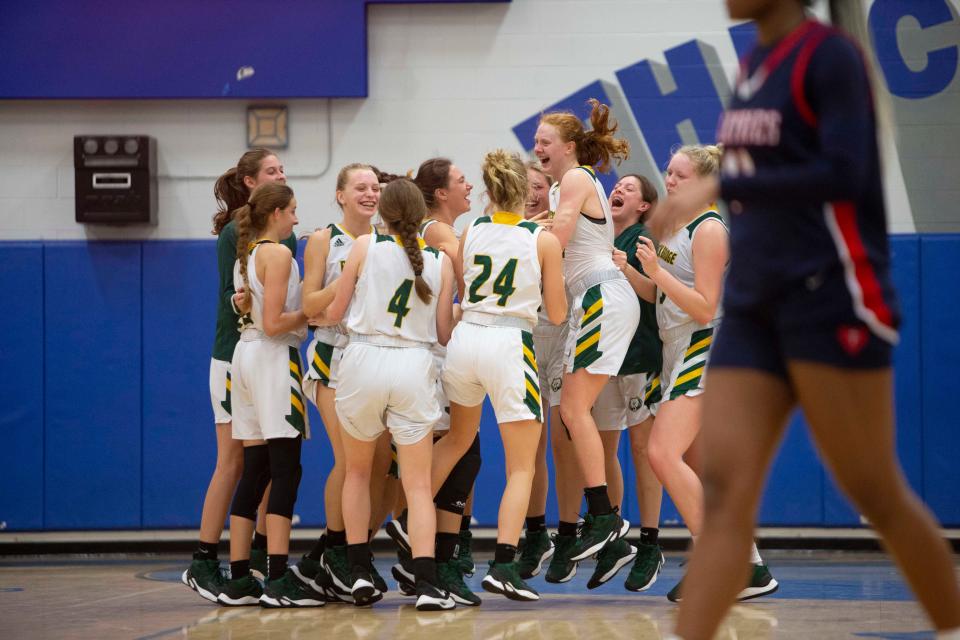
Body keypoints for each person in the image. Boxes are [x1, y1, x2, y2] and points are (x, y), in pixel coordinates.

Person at [669, 2, 960, 638]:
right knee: (723, 499)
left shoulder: (829, 56)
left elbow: (843, 171)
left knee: (872, 488)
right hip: (754, 305)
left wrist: (724, 184)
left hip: (831, 295)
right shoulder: (752, 64)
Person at [634, 146, 776, 602]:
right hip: (675, 347)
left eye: (678, 175)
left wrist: (657, 270)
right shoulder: (676, 228)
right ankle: (751, 567)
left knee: (661, 454)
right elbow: (666, 298)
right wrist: (636, 274)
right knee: (698, 467)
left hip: (704, 345)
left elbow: (703, 306)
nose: (669, 181)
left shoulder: (709, 229)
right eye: (668, 173)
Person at [432, 149, 566, 601]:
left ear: (489, 191)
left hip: (467, 337)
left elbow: (466, 289)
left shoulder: (471, 231)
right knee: (522, 466)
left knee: (454, 442)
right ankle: (506, 564)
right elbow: (558, 311)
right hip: (510, 344)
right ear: (526, 193)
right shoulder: (542, 240)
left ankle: (411, 527)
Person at [322, 178, 457, 611]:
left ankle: (358, 572)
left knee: (358, 474)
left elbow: (335, 313)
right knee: (417, 485)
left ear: (384, 212)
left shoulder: (363, 247)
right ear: (422, 215)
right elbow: (442, 333)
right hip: (414, 365)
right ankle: (427, 582)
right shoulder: (440, 262)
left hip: (362, 360)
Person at [182, 149, 295, 602]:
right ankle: (204, 560)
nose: (281, 175)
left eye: (283, 170)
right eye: (272, 171)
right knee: (234, 463)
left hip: (264, 353)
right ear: (250, 183)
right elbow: (232, 294)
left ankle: (260, 563)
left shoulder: (281, 233)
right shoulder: (236, 232)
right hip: (235, 356)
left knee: (264, 465)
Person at [533, 99, 639, 563]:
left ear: (569, 147)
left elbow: (555, 241)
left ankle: (603, 517)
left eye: (544, 142)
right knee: (575, 413)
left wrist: (510, 234)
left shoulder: (575, 178)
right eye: (536, 141)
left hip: (600, 295)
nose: (537, 148)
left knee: (574, 410)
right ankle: (601, 518)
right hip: (592, 299)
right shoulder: (564, 187)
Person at [214, 182, 319, 607]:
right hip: (274, 358)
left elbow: (251, 310)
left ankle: (239, 575)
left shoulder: (248, 253)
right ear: (275, 212)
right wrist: (315, 309)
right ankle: (277, 576)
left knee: (255, 469)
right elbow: (277, 323)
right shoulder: (276, 254)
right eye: (292, 211)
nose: (296, 219)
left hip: (245, 355)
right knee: (285, 469)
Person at [387, 157, 484, 607]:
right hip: (433, 355)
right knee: (462, 452)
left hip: (438, 353)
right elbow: (473, 277)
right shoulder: (438, 233)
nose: (470, 186)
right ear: (441, 193)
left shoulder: (439, 232)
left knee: (466, 455)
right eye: (462, 180)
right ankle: (413, 524)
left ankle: (436, 553)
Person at [294, 163, 388, 600]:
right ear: (340, 195)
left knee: (382, 465)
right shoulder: (322, 239)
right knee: (351, 462)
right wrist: (348, 278)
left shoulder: (385, 238)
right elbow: (309, 303)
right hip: (333, 354)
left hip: (375, 357)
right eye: (360, 188)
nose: (370, 194)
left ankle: (333, 553)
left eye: (374, 187)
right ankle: (340, 552)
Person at [598, 173, 665, 592]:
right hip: (605, 358)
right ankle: (610, 535)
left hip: (641, 356)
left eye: (628, 188)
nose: (617, 190)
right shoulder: (600, 234)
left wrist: (622, 268)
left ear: (643, 205)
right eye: (616, 186)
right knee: (604, 449)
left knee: (644, 450)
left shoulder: (642, 239)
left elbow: (653, 294)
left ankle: (650, 542)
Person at [516, 161, 563, 580]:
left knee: (564, 441)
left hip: (561, 330)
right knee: (530, 443)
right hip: (524, 335)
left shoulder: (555, 229)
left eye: (538, 186)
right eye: (525, 186)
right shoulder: (511, 230)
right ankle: (535, 532)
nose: (532, 193)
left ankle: (572, 531)